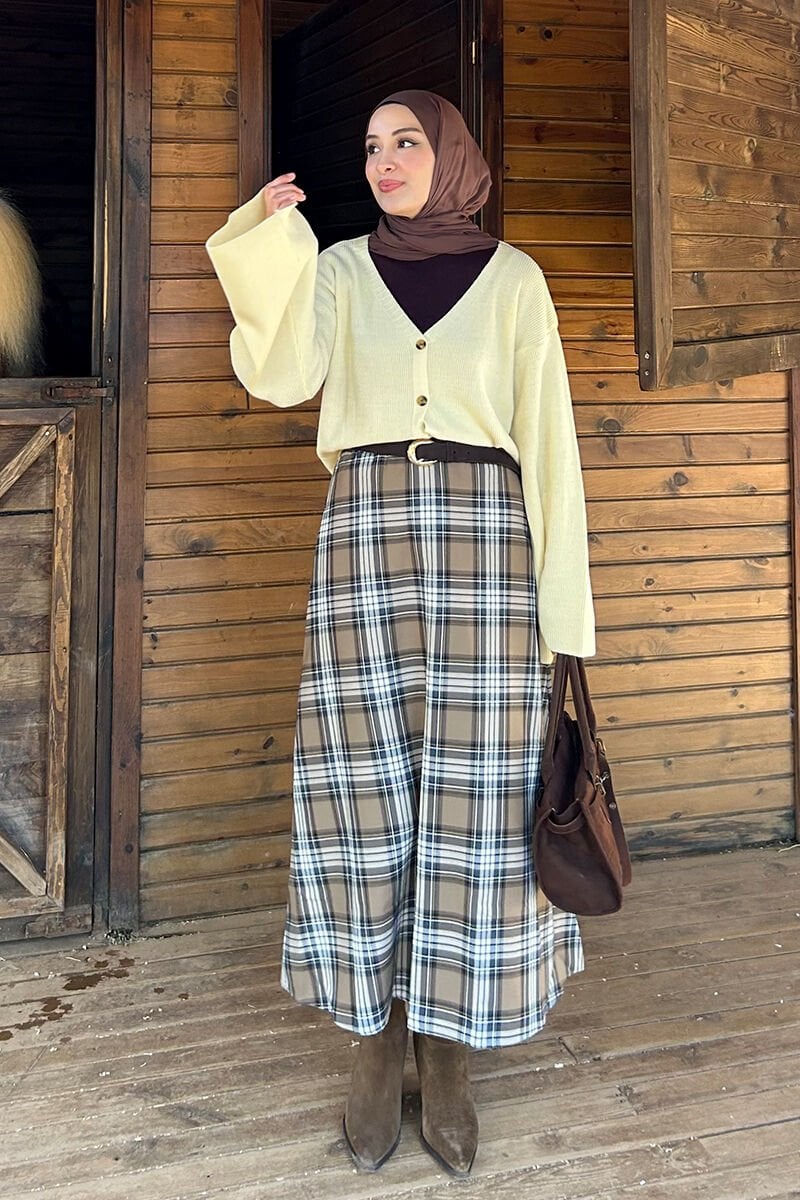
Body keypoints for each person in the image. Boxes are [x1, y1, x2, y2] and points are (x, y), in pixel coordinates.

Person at [206, 88, 595, 1179]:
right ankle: (374, 1043)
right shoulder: (338, 270)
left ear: (449, 154)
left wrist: (563, 615)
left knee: (480, 802)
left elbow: (549, 445)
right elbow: (279, 374)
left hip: (490, 552)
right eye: (372, 146)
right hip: (365, 543)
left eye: (406, 142)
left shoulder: (514, 281)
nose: (385, 161)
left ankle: (449, 1053)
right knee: (359, 789)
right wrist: (263, 243)